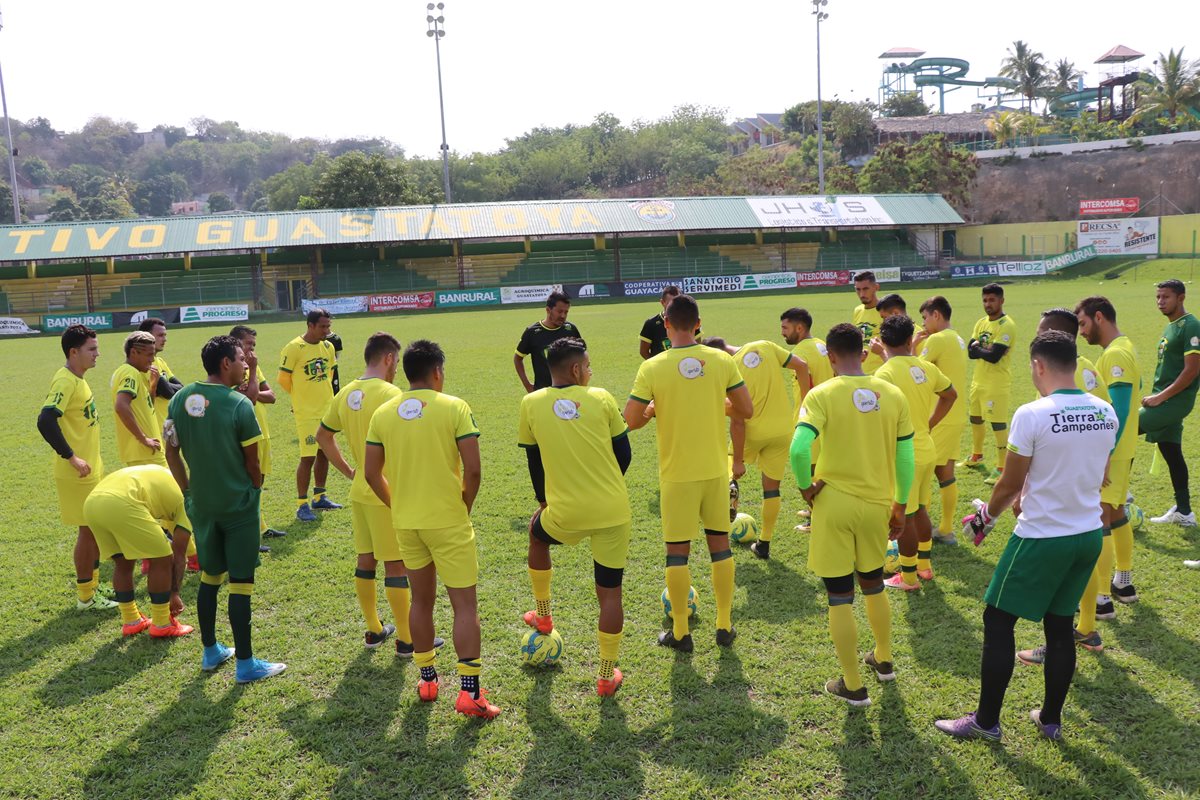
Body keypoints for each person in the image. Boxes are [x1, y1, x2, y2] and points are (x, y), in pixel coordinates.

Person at [937, 331, 1116, 741]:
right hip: (1087, 534)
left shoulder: (1032, 413)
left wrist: (986, 517)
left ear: (1038, 365)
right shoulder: (1105, 411)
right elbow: (1099, 474)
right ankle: (1050, 720)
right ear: (1073, 363)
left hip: (1041, 537)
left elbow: (1008, 483)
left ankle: (985, 722)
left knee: (998, 620)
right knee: (1058, 626)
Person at [363, 340, 498, 719]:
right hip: (448, 521)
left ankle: (427, 680)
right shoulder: (454, 407)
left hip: (408, 523)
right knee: (465, 606)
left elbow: (371, 472)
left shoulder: (384, 413)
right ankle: (469, 693)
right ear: (437, 371)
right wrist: (464, 505)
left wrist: (397, 505)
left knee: (420, 602)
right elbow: (473, 470)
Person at [791, 323, 913, 706]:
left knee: (840, 595)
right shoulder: (892, 394)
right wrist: (900, 503)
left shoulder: (822, 393)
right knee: (874, 583)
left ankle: (853, 685)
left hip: (835, 503)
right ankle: (884, 658)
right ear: (863, 353)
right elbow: (905, 457)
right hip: (879, 504)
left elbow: (798, 449)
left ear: (829, 357)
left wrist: (805, 487)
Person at [624, 294, 753, 653]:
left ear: (665, 324)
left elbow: (630, 420)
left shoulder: (653, 366)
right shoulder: (720, 360)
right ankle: (725, 625)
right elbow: (745, 408)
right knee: (720, 548)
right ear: (698, 324)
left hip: (677, 475)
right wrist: (714, 400)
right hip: (714, 471)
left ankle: (681, 633)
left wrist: (652, 410)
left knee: (677, 555)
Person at [166, 335, 286, 684]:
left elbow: (171, 450)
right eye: (240, 358)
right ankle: (246, 664)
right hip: (238, 506)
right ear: (225, 364)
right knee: (242, 583)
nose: (246, 363)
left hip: (201, 504)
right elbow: (253, 462)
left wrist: (187, 489)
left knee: (210, 577)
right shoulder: (239, 404)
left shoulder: (179, 399)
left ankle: (210, 651)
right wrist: (255, 487)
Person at [317, 332, 446, 656]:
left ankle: (374, 629)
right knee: (397, 566)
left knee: (366, 560)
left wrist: (349, 471)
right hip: (385, 490)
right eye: (396, 362)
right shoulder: (392, 394)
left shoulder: (345, 392)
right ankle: (407, 639)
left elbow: (322, 436)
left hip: (360, 490)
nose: (396, 369)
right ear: (389, 359)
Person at [519, 338, 633, 696]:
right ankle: (604, 675)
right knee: (610, 596)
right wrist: (605, 486)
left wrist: (543, 500)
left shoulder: (531, 403)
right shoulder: (601, 398)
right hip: (613, 510)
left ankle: (543, 614)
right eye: (588, 365)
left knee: (537, 536)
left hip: (565, 512)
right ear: (575, 369)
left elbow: (533, 461)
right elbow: (624, 453)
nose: (591, 370)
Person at [704, 336, 808, 560]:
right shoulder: (766, 346)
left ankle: (729, 486)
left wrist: (740, 461)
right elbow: (802, 365)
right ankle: (764, 543)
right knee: (771, 489)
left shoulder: (728, 370)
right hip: (782, 431)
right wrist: (805, 402)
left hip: (752, 432)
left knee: (726, 469)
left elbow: (738, 421)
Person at [38, 324, 117, 611]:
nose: (98, 354)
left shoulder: (78, 378)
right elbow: (45, 420)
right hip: (77, 472)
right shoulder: (65, 381)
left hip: (90, 470)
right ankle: (86, 596)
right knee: (88, 530)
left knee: (94, 527)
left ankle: (93, 587)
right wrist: (71, 457)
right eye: (92, 349)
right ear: (74, 352)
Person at [876, 315, 956, 590]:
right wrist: (930, 423)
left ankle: (908, 577)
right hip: (926, 447)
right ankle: (924, 567)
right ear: (911, 340)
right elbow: (951, 394)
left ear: (883, 342)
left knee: (904, 516)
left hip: (904, 454)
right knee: (919, 509)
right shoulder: (924, 367)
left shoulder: (884, 374)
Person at [1075, 296, 1142, 620]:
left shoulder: (1116, 354)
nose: (1081, 332)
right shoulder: (1122, 346)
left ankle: (1101, 599)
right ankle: (1123, 584)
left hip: (1111, 453)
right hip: (1119, 450)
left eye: (1083, 324)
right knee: (1115, 513)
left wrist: (1103, 452)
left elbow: (1119, 409)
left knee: (1100, 518)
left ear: (1099, 317)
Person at [83, 465, 194, 638]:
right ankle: (162, 622)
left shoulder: (165, 475)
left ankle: (131, 621)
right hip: (122, 502)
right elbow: (179, 554)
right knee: (163, 558)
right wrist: (174, 593)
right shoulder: (188, 503)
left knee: (123, 562)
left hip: (92, 504)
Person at [1140, 279, 1200, 527]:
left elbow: (1192, 370)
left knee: (1121, 430)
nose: (1160, 302)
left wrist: (1160, 397)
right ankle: (1184, 511)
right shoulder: (1171, 326)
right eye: (1158, 297)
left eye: (1166, 297)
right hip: (1164, 399)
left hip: (1173, 402)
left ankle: (1120, 499)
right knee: (1171, 452)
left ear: (1181, 298)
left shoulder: (1191, 325)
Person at [278, 308, 342, 522]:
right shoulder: (294, 347)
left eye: (328, 326)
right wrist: (299, 398)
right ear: (310, 325)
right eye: (323, 326)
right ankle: (301, 504)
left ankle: (320, 495)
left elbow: (330, 374)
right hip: (306, 412)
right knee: (308, 457)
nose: (327, 330)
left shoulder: (328, 347)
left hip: (327, 409)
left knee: (325, 453)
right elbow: (283, 380)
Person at [918, 296, 969, 545]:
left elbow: (916, 371)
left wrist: (914, 343)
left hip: (940, 415)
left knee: (925, 472)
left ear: (936, 315)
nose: (924, 324)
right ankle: (946, 529)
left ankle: (921, 531)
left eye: (925, 318)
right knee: (945, 472)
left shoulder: (937, 339)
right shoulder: (956, 338)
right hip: (956, 414)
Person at [781, 307, 834, 533]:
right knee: (819, 466)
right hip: (827, 414)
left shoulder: (801, 351)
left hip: (811, 417)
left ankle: (818, 518)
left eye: (785, 328)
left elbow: (808, 386)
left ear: (799, 328)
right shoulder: (821, 345)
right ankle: (815, 511)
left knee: (812, 470)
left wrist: (805, 411)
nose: (782, 333)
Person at [232, 325, 285, 548]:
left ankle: (260, 526)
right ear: (235, 343)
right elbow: (252, 397)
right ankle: (248, 533)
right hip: (244, 434)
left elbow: (271, 396)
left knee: (259, 482)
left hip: (262, 431)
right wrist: (252, 382)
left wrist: (252, 388)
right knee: (247, 483)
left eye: (254, 344)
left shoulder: (252, 365)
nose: (252, 349)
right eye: (248, 344)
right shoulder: (233, 367)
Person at [964, 283, 1018, 486]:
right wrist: (981, 350)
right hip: (978, 381)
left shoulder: (1007, 325)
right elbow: (970, 352)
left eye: (992, 300)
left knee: (997, 424)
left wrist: (980, 349)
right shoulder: (981, 323)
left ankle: (1002, 466)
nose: (988, 304)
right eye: (985, 300)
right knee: (975, 418)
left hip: (997, 383)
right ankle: (977, 455)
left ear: (1001, 301)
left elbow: (994, 357)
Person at [111, 331, 166, 467]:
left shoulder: (129, 372)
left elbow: (147, 408)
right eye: (149, 355)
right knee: (171, 487)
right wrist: (144, 439)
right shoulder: (131, 373)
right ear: (134, 352)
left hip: (144, 452)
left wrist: (152, 387)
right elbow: (121, 406)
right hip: (146, 453)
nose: (152, 360)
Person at [515, 290, 584, 392]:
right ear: (548, 310)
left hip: (570, 391)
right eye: (560, 311)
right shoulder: (532, 332)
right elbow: (518, 358)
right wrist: (527, 385)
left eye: (566, 312)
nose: (563, 316)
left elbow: (582, 358)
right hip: (543, 393)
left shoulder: (571, 330)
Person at [138, 317, 183, 425]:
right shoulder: (144, 365)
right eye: (160, 335)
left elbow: (181, 388)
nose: (164, 339)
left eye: (165, 335)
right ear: (146, 337)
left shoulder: (160, 361)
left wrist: (164, 383)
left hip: (166, 426)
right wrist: (167, 387)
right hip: (154, 428)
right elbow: (168, 393)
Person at [851, 271, 884, 374]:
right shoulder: (857, 311)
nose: (862, 294)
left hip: (881, 373)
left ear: (876, 287)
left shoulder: (886, 312)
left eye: (865, 289)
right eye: (858, 289)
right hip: (861, 373)